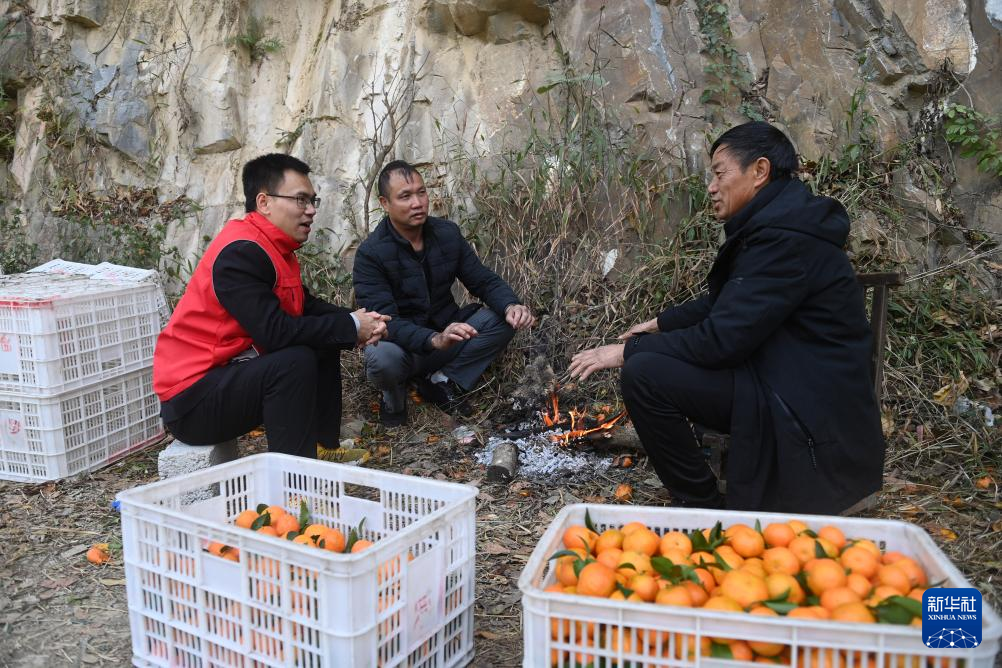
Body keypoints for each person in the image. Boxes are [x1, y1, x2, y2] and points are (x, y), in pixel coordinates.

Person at [568, 121, 884, 514]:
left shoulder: (784, 239)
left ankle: (699, 505)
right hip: (781, 375)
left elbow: (721, 340)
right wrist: (661, 322)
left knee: (645, 372)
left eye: (720, 173)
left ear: (760, 171)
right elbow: (730, 303)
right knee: (648, 362)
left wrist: (628, 350)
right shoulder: (781, 226)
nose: (712, 187)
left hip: (803, 401)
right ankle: (699, 498)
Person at [153, 153, 390, 458]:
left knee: (320, 343)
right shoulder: (240, 252)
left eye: (313, 201)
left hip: (227, 377)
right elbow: (275, 334)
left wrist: (359, 320)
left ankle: (322, 450)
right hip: (192, 401)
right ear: (263, 202)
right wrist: (353, 327)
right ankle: (295, 484)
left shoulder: (273, 247)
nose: (311, 211)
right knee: (294, 361)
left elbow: (305, 306)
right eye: (301, 200)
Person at [353, 160, 535, 426]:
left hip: (447, 339)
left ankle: (442, 380)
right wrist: (433, 339)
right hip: (406, 348)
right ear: (384, 203)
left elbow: (482, 280)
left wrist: (511, 306)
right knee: (380, 355)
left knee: (502, 319)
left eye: (421, 192)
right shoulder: (371, 254)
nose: (417, 202)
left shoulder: (446, 233)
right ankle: (393, 394)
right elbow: (382, 322)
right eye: (405, 196)